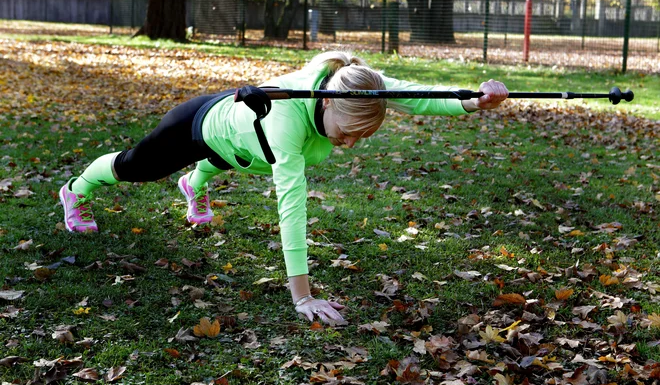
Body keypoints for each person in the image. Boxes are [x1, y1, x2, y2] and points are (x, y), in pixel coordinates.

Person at [58, 51, 509, 325]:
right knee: (136, 168)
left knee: (231, 159)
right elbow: (291, 207)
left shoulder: (358, 85)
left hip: (242, 147)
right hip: (199, 125)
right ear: (327, 101)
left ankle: (195, 183)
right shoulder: (287, 122)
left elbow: (416, 94)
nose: (350, 144)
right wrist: (303, 295)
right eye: (347, 132)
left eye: (361, 138)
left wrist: (474, 100)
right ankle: (76, 190)